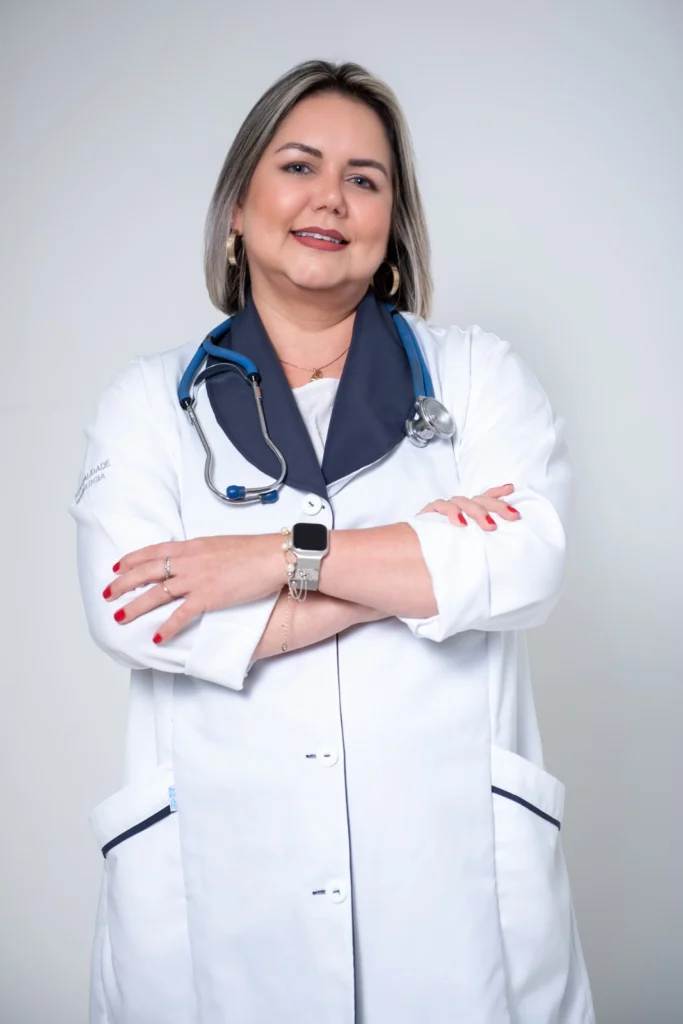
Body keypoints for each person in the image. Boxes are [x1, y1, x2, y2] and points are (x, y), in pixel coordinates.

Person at [69, 59, 596, 1024]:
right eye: (298, 166)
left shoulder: (477, 377)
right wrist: (421, 560)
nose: (330, 198)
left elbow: (525, 562)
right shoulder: (148, 405)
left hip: (447, 889)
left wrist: (267, 559)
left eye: (364, 178)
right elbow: (139, 615)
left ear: (392, 223)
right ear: (237, 206)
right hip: (223, 882)